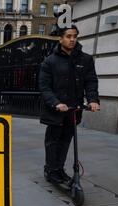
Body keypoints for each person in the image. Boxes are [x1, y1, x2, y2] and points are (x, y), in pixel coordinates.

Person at [39, 25, 100, 184]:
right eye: (68, 36)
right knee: (53, 142)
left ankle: (59, 169)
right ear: (61, 38)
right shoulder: (50, 61)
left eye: (74, 36)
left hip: (73, 110)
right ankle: (51, 170)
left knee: (66, 141)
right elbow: (44, 87)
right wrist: (56, 103)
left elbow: (91, 81)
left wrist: (93, 99)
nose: (72, 39)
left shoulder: (85, 59)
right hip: (55, 111)